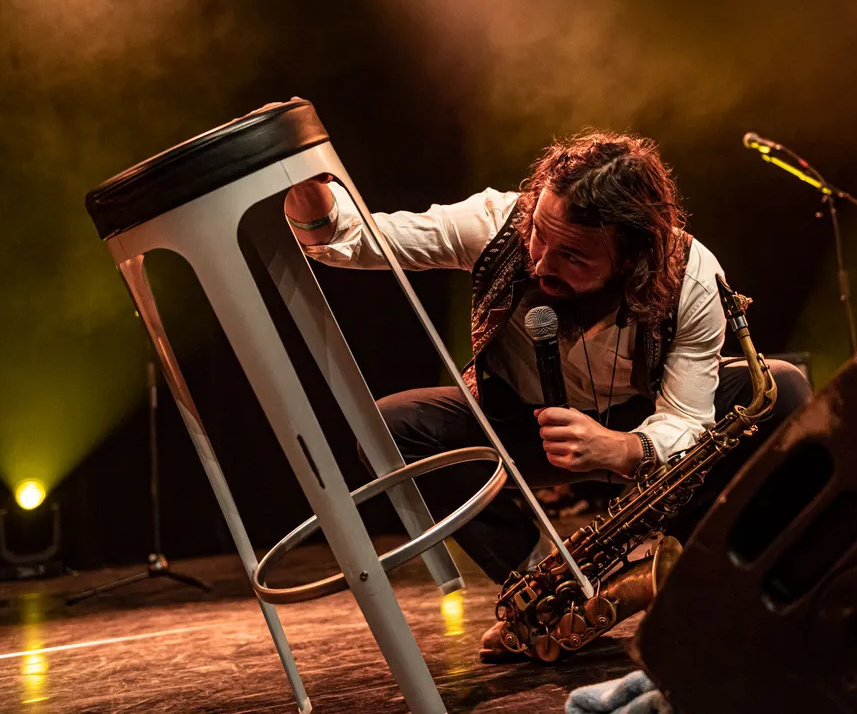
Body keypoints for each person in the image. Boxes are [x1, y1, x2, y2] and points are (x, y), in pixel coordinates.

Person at [284, 130, 810, 636]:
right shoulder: (499, 224)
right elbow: (350, 239)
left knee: (780, 390)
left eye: (573, 256)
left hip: (640, 429)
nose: (540, 262)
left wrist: (622, 448)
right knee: (388, 428)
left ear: (633, 256)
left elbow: (688, 418)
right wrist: (304, 179)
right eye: (539, 234)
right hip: (524, 428)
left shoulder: (690, 275)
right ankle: (546, 586)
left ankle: (700, 574)